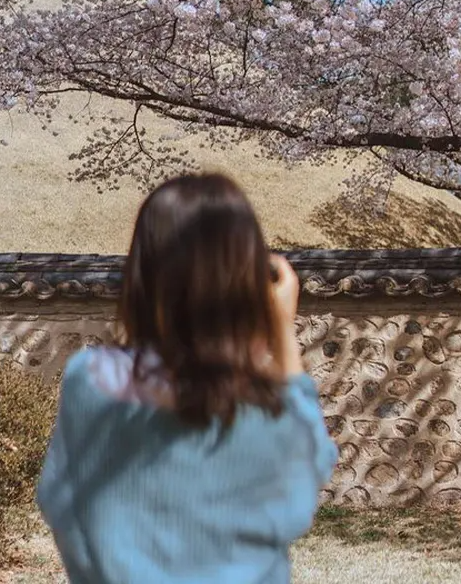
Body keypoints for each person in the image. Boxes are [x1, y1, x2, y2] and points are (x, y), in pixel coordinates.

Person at [37, 173, 337, 583]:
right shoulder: (268, 405)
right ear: (247, 283)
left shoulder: (90, 379)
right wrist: (282, 331)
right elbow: (306, 480)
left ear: (143, 272)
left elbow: (59, 501)